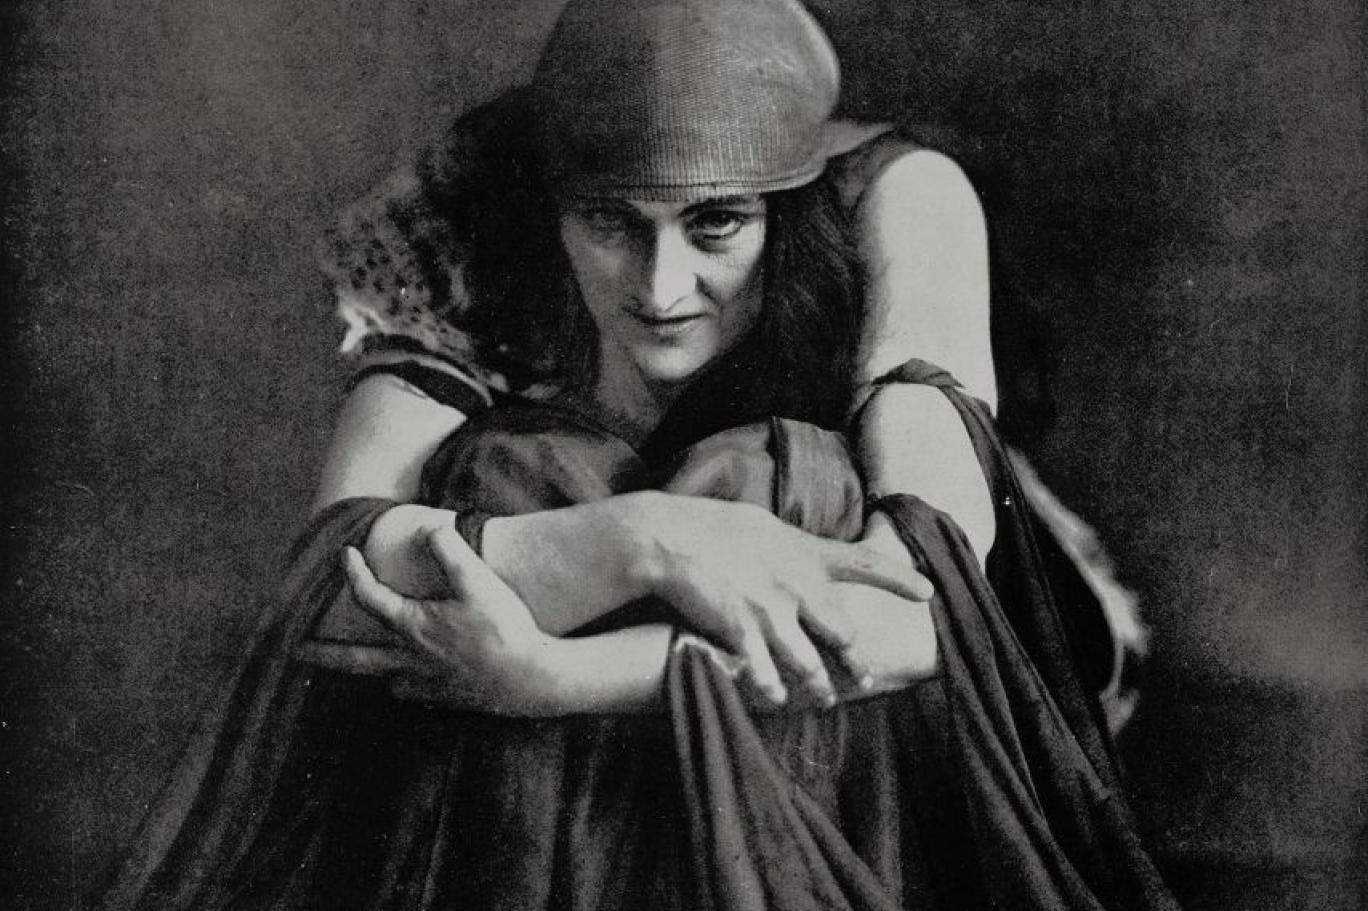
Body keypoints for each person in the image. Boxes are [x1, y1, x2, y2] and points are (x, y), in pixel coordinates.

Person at [96, 0, 1174, 907]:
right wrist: (648, 540)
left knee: (789, 478)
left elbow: (918, 613)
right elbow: (335, 580)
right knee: (519, 475)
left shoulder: (894, 196)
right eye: (611, 223)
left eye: (717, 225)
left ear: (787, 209)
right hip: (523, 814)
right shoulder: (471, 209)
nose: (661, 289)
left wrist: (554, 678)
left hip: (846, 776)